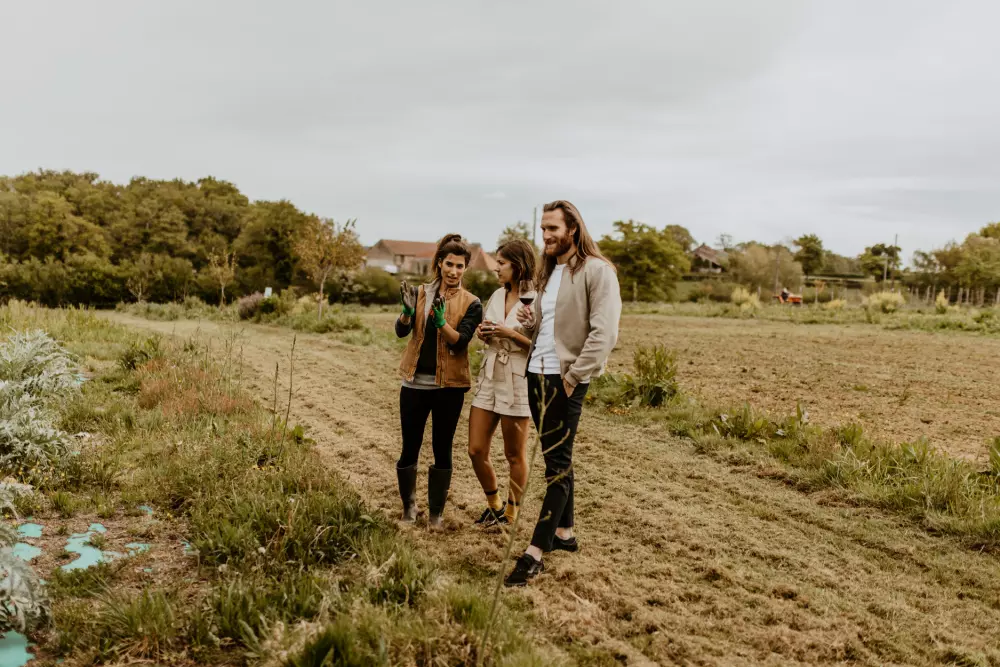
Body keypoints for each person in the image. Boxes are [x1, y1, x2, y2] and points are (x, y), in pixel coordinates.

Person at [504, 200, 622, 587]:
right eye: (542, 229)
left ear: (573, 229)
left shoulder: (597, 271)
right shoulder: (550, 271)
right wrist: (531, 319)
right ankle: (565, 533)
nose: (546, 236)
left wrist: (573, 379)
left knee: (556, 466)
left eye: (552, 228)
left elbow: (603, 334)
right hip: (535, 373)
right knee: (558, 458)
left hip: (563, 380)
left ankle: (534, 553)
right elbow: (551, 324)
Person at [395, 234, 483, 530]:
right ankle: (409, 509)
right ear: (439, 263)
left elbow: (460, 344)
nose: (454, 271)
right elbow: (401, 331)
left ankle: (435, 515)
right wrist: (407, 315)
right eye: (449, 264)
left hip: (449, 388)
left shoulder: (472, 303)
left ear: (466, 268)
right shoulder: (420, 293)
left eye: (460, 266)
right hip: (414, 384)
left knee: (442, 448)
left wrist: (442, 322)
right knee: (410, 446)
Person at [467, 238, 537, 526]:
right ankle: (494, 504)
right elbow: (490, 328)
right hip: (490, 374)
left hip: (518, 379)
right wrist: (484, 333)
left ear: (518, 266)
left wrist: (509, 334)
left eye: (502, 263)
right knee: (475, 449)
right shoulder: (496, 296)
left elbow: (538, 346)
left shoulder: (537, 299)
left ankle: (510, 514)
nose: (497, 268)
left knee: (513, 454)